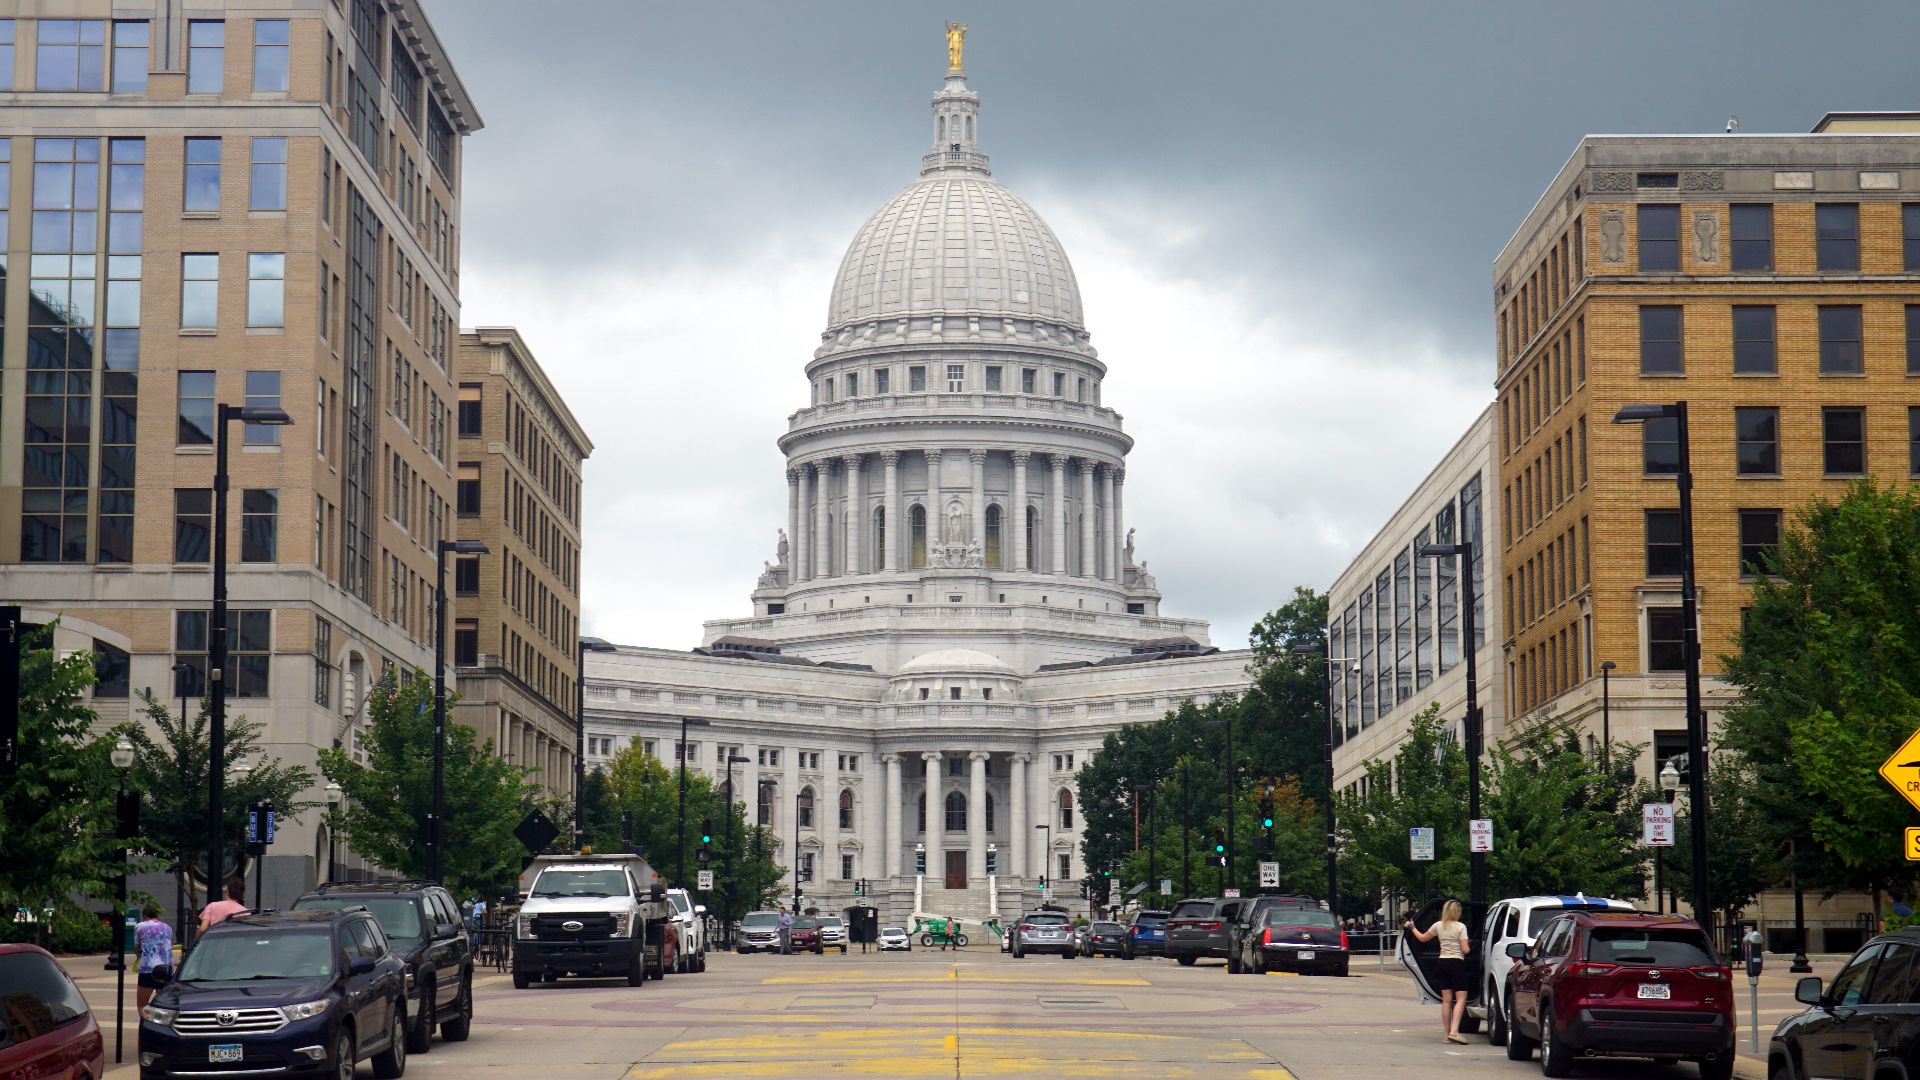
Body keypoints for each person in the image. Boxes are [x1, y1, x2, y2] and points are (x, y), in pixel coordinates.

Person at [1405, 900, 1473, 1044]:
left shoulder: (1438, 925)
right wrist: (1468, 945)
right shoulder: (1461, 927)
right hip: (1457, 963)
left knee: (1446, 1000)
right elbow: (1465, 950)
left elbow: (1422, 938)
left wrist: (1412, 927)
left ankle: (1446, 1036)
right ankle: (1455, 1031)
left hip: (1442, 962)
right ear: (1457, 912)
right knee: (1461, 998)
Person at [135, 905, 174, 1009]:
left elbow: (137, 947)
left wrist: (138, 958)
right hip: (166, 968)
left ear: (144, 916)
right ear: (156, 915)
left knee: (142, 1004)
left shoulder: (140, 926)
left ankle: (145, 1019)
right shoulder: (168, 927)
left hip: (147, 968)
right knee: (163, 1005)